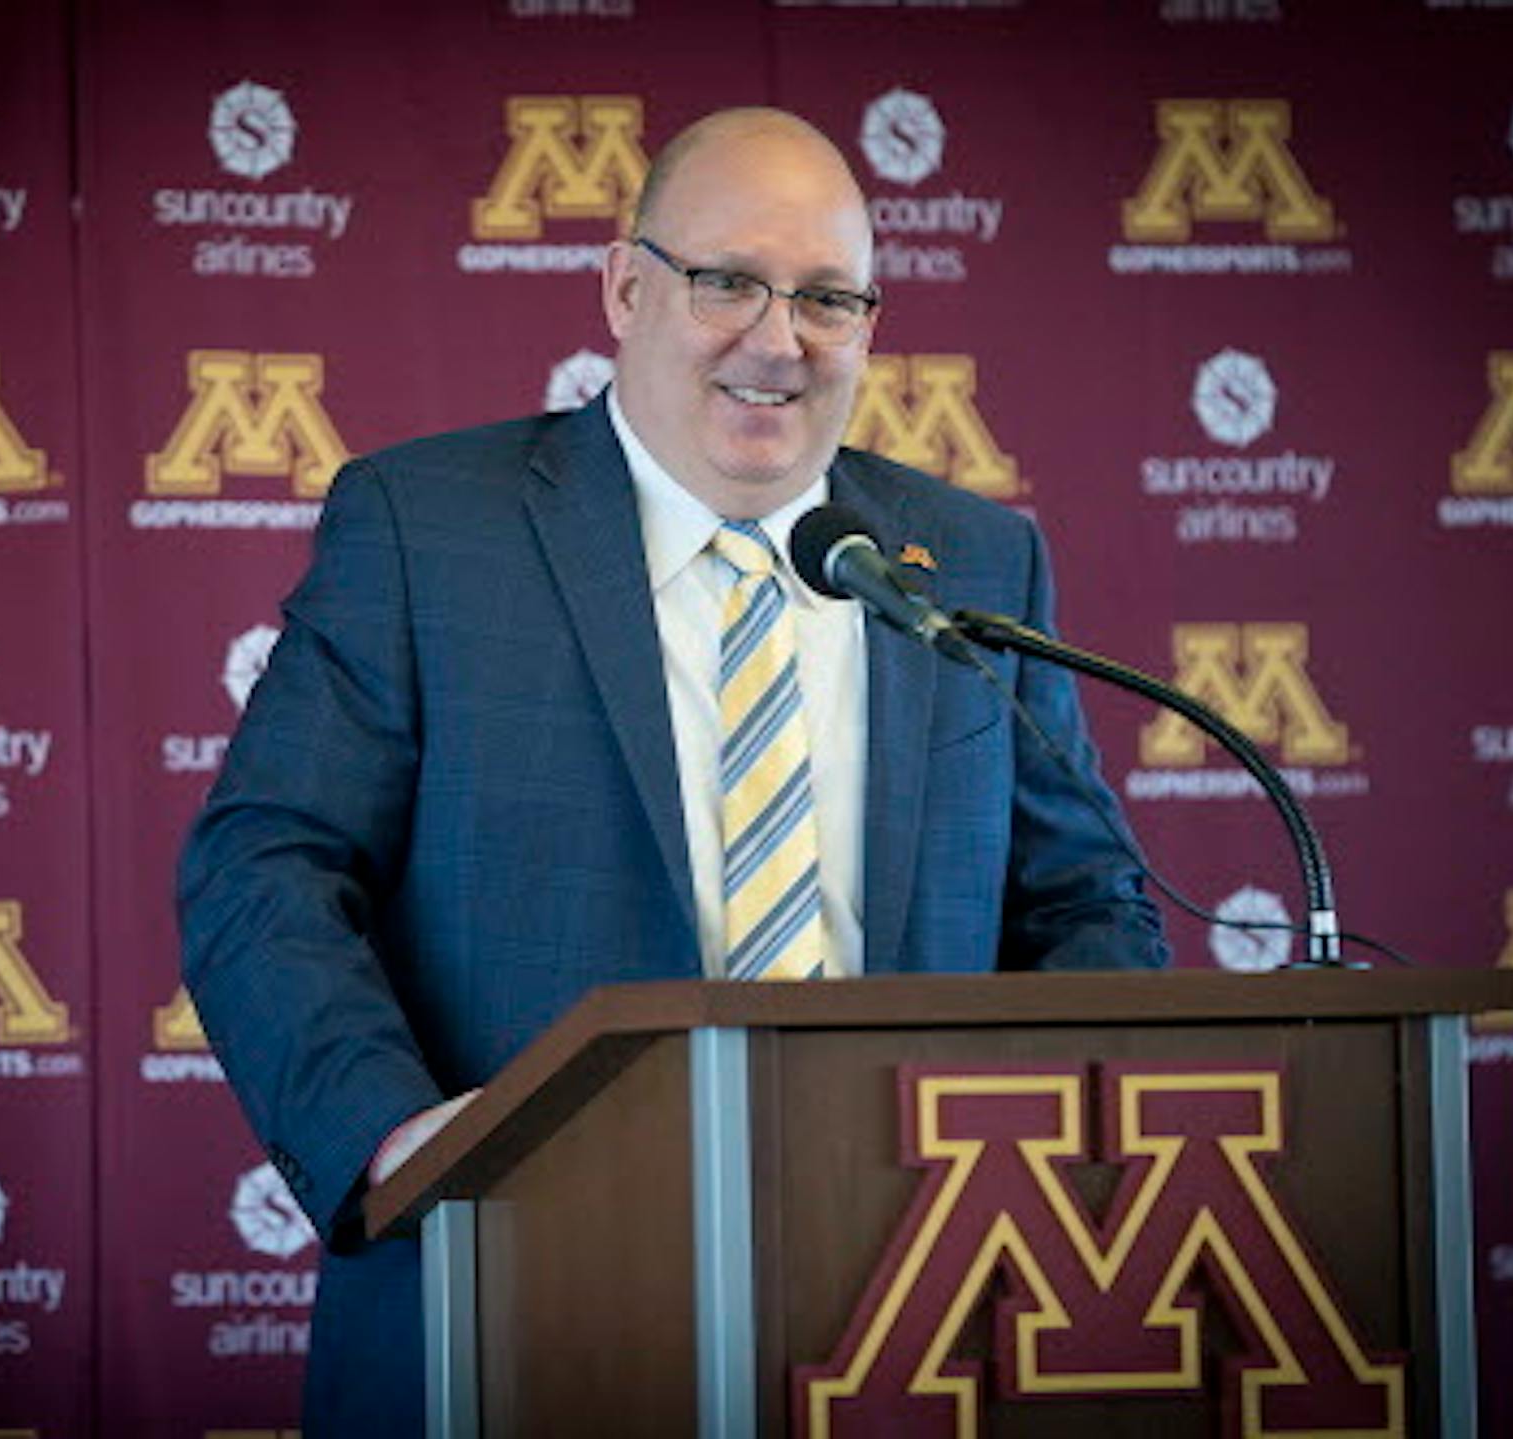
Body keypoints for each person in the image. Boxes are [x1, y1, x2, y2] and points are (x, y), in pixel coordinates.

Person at [177, 106, 1166, 1435]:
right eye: (729, 284)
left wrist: (1057, 1171)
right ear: (627, 286)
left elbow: (1088, 905)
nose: (779, 338)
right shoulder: (429, 530)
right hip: (515, 1300)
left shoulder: (973, 564)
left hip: (916, 1321)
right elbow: (263, 867)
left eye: (827, 297)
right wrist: (399, 1141)